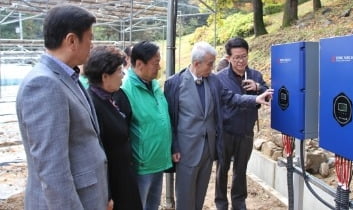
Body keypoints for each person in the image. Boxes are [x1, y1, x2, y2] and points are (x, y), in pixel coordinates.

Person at [16, 5, 109, 210]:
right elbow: (52, 169)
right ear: (72, 41)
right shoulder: (44, 84)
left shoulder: (67, 77)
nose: (92, 45)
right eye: (90, 38)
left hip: (86, 197)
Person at [164, 41, 273, 210]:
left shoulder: (212, 81)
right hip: (186, 151)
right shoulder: (175, 83)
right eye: (210, 64)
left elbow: (231, 98)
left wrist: (255, 98)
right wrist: (174, 146)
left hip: (208, 150)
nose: (213, 67)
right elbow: (170, 119)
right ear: (196, 63)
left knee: (200, 195)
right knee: (185, 198)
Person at [84, 46, 143, 210]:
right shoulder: (94, 106)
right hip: (114, 185)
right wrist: (107, 194)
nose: (123, 75)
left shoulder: (109, 99)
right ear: (105, 76)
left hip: (123, 178)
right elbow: (97, 155)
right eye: (119, 71)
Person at [215, 37, 269, 210]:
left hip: (246, 131)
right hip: (226, 131)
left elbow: (268, 95)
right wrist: (254, 98)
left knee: (241, 171)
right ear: (229, 58)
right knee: (222, 170)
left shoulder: (255, 76)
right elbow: (231, 98)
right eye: (236, 57)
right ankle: (221, 203)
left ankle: (239, 203)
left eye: (244, 56)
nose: (241, 61)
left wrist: (258, 87)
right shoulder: (220, 78)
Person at [118, 40, 172, 210]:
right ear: (139, 64)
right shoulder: (126, 90)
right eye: (156, 63)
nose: (159, 67)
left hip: (158, 160)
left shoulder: (154, 85)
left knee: (152, 205)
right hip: (141, 165)